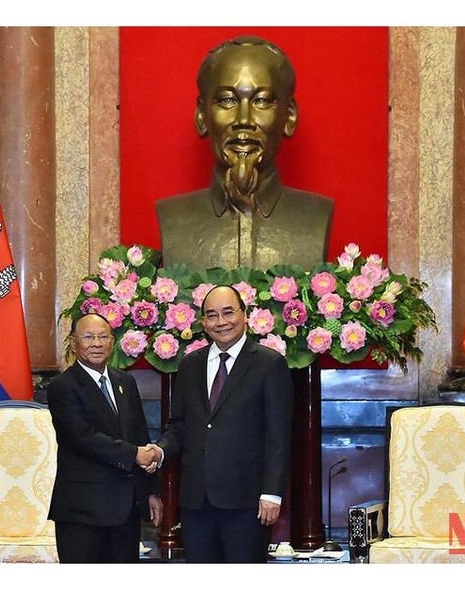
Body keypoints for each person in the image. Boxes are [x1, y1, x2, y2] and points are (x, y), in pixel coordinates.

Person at [156, 35, 334, 270]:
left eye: (261, 101)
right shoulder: (174, 218)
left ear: (289, 117)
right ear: (201, 115)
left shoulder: (315, 217)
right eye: (227, 100)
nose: (243, 120)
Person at [147, 285, 293, 562]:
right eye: (212, 315)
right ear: (203, 323)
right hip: (196, 501)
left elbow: (279, 435)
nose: (221, 322)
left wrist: (272, 493)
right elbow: (178, 426)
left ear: (245, 314)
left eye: (228, 312)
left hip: (248, 501)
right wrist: (160, 451)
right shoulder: (190, 365)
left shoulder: (269, 364)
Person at [47, 312, 162, 563]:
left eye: (103, 337)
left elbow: (140, 435)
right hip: (83, 511)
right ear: (74, 343)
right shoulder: (62, 387)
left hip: (126, 509)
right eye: (88, 337)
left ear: (112, 342)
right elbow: (82, 438)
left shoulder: (126, 382)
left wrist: (151, 492)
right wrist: (135, 454)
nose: (96, 343)